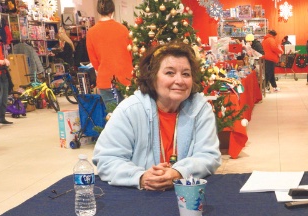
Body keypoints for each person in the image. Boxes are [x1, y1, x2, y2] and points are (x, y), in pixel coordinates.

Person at [92, 42, 221, 191]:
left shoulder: (200, 109)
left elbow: (209, 155)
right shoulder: (130, 110)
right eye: (170, 73)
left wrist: (179, 172)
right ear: (152, 77)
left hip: (187, 195)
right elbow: (107, 159)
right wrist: (141, 177)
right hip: (139, 199)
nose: (179, 81)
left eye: (186, 74)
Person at [86, 0, 133, 107]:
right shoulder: (123, 29)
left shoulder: (91, 32)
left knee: (113, 117)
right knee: (129, 116)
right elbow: (131, 53)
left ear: (98, 11)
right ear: (112, 10)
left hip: (105, 79)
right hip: (126, 79)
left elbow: (94, 60)